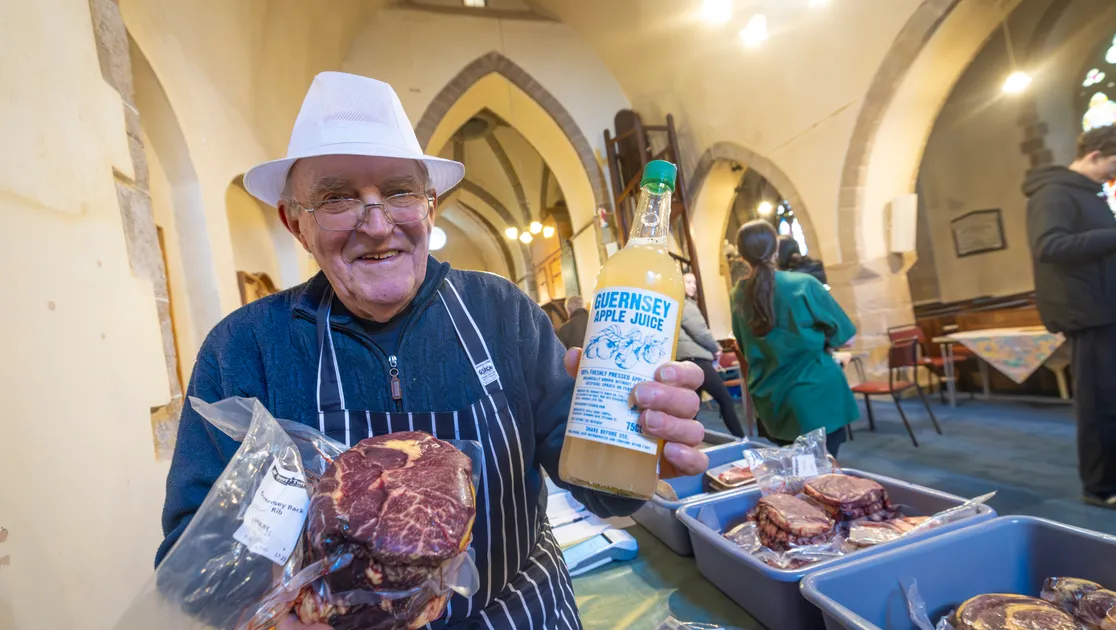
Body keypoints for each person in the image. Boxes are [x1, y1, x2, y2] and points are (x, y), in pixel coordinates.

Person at [158, 72, 710, 629]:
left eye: (400, 192)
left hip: (521, 613)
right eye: (336, 198)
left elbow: (600, 487)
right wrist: (270, 620)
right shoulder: (244, 348)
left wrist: (642, 446)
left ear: (431, 206)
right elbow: (192, 557)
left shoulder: (503, 310)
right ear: (295, 223)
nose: (378, 226)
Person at [1024, 122, 1116, 510]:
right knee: (1100, 404)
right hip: (1089, 313)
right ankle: (1100, 487)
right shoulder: (1053, 192)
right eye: (1115, 164)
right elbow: (1049, 246)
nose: (1115, 174)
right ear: (1095, 156)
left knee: (1115, 399)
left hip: (1107, 309)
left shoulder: (1088, 193)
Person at [730, 220, 858, 457]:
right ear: (776, 249)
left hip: (772, 400)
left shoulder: (737, 295)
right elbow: (847, 338)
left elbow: (743, 347)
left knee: (797, 470)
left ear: (741, 256)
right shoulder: (803, 284)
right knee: (824, 471)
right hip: (813, 394)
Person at [677, 273, 745, 438]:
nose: (693, 286)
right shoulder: (686, 305)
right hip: (696, 360)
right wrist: (716, 348)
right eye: (688, 282)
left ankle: (687, 441)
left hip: (688, 359)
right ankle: (741, 438)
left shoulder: (680, 304)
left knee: (693, 407)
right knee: (724, 398)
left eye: (694, 282)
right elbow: (700, 332)